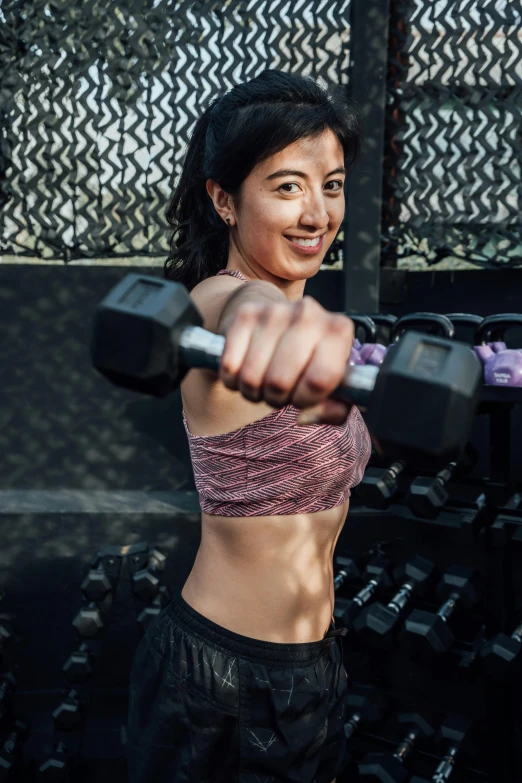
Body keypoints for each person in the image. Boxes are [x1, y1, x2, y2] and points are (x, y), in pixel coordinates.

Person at [126, 69, 372, 783]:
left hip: (312, 669)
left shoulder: (310, 324)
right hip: (223, 682)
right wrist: (281, 320)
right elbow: (238, 316)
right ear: (224, 199)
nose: (318, 212)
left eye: (330, 184)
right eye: (288, 186)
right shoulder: (223, 303)